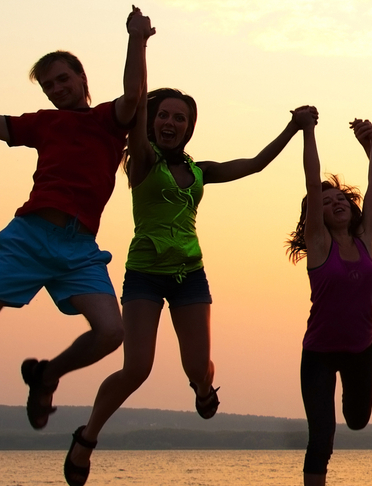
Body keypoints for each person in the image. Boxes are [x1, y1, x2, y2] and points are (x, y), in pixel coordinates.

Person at [61, 93, 316, 485]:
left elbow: (255, 164)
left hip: (189, 275)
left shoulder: (200, 170)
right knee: (136, 369)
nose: (170, 122)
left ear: (189, 127)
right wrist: (140, 44)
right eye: (163, 115)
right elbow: (136, 110)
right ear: (151, 122)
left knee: (197, 367)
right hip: (145, 272)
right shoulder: (142, 159)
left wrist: (294, 128)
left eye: (179, 118)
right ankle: (87, 437)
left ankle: (202, 386)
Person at [0, 6, 150, 432]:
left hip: (78, 248)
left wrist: (136, 38)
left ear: (82, 78)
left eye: (63, 79)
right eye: (48, 86)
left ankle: (48, 375)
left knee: (110, 333)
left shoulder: (107, 119)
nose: (57, 89)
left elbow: (135, 94)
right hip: (31, 237)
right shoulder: (43, 124)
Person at [283, 114, 372, 485]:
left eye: (341, 198)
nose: (337, 202)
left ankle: (343, 404)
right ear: (315, 213)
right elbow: (312, 179)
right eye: (327, 202)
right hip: (320, 354)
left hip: (361, 351)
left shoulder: (365, 239)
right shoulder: (319, 244)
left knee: (357, 421)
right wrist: (308, 131)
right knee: (321, 438)